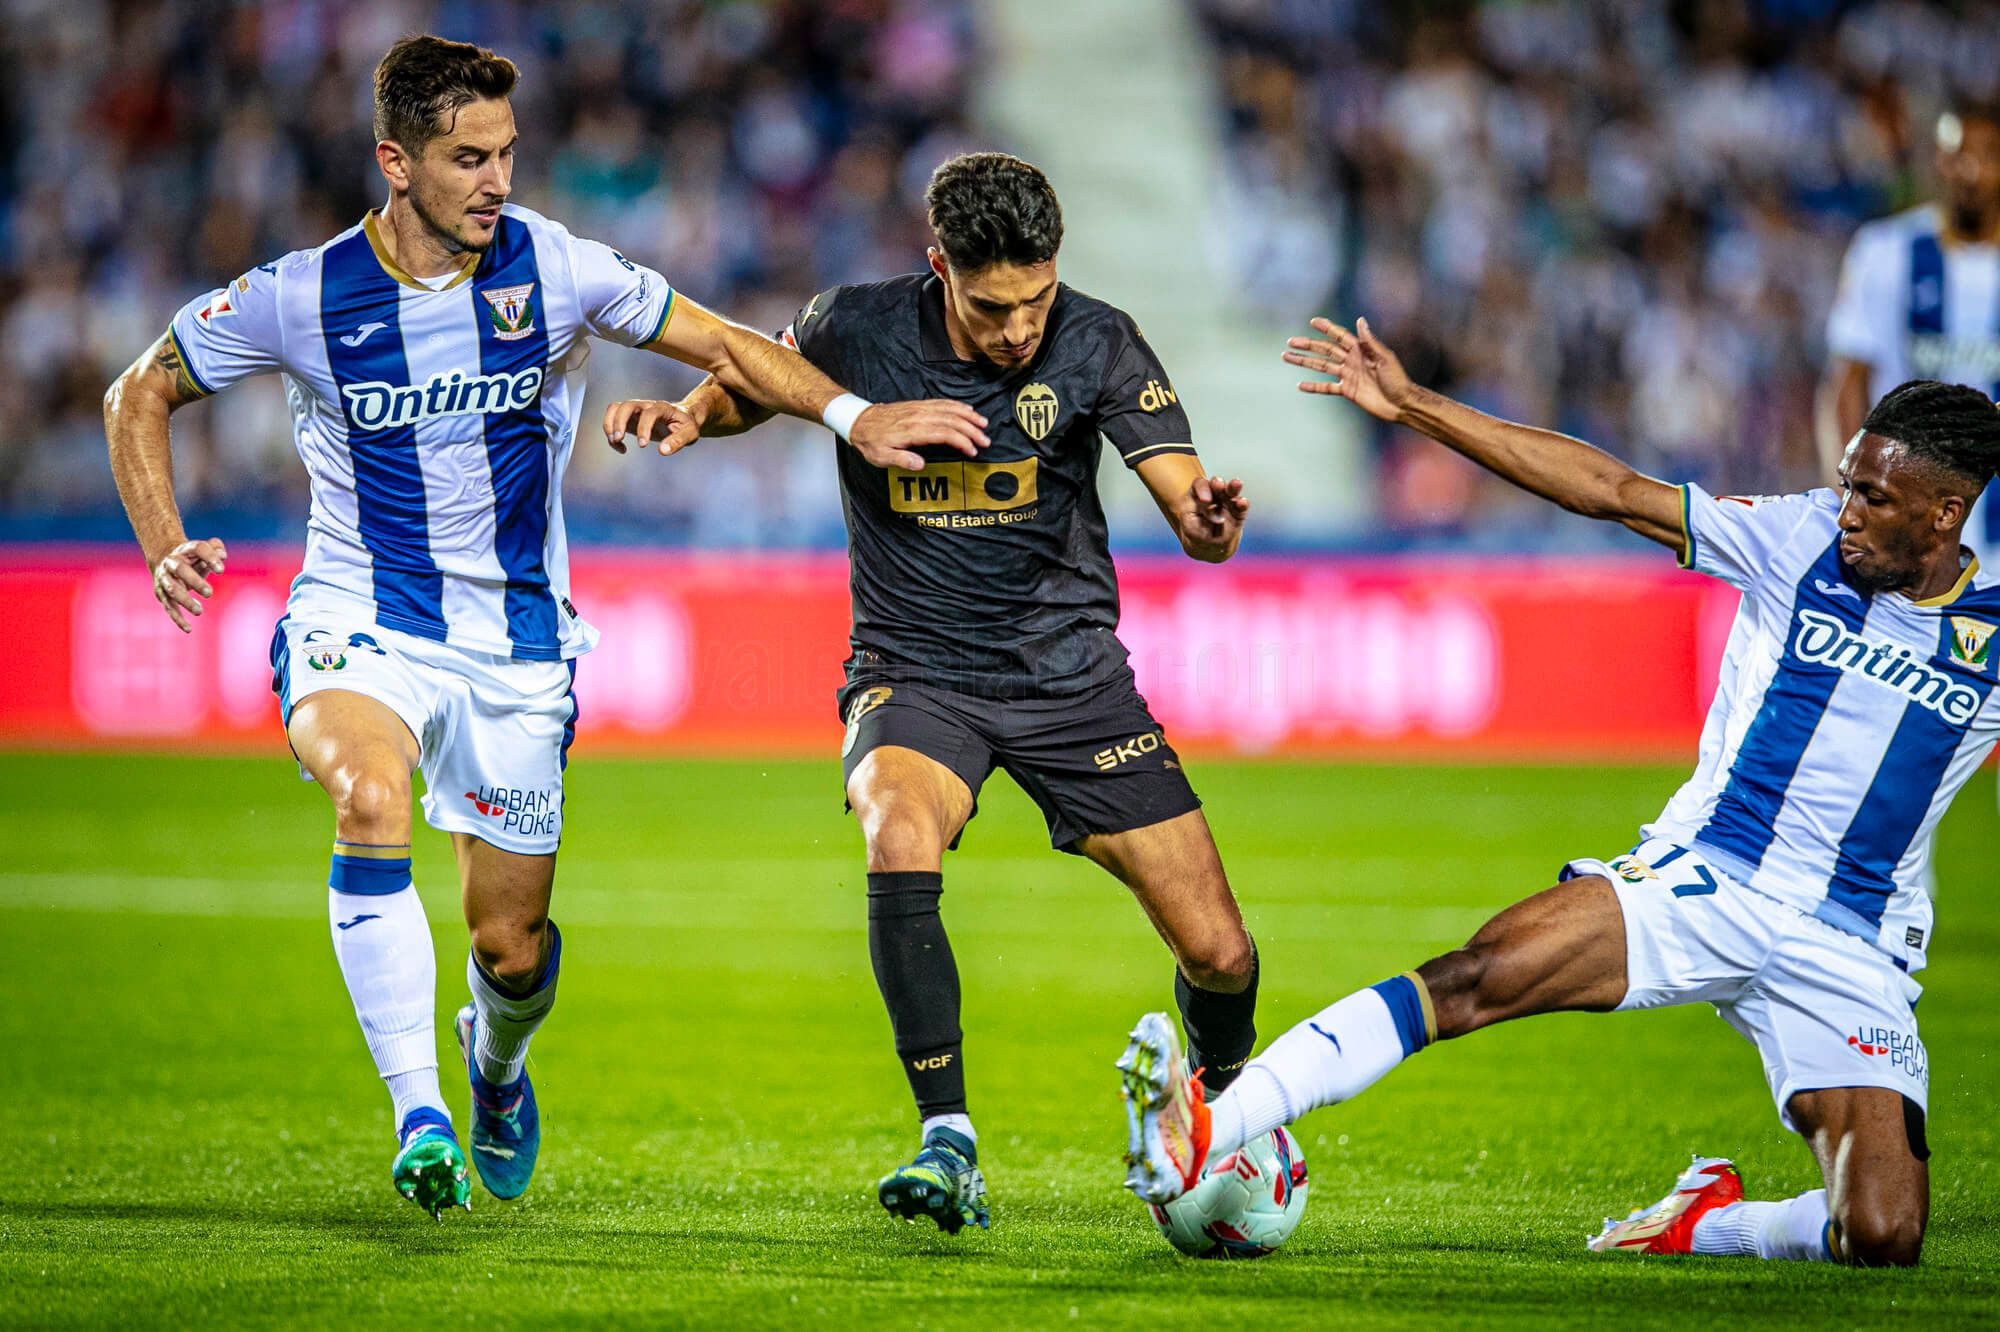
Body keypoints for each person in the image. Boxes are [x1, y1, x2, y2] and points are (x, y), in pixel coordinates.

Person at [100, 34, 984, 1220]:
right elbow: (137, 390)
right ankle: (419, 1116)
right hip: (361, 614)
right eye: (468, 158)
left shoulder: (556, 267)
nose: (496, 180)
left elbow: (724, 344)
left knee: (510, 949)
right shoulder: (301, 295)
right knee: (368, 797)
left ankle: (494, 1067)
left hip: (518, 649)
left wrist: (851, 416)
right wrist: (163, 542)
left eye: (507, 153)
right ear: (394, 162)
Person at [1118, 313, 2000, 1268]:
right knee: (1476, 978)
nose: (1847, 512)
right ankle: (1208, 1125)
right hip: (1709, 882)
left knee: (1881, 1236)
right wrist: (1413, 405)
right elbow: (1613, 491)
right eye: (1845, 488)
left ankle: (1707, 1222)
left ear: (1945, 512)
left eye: (1871, 496)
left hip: (1850, 946)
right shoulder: (1795, 542)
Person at [604, 152, 1259, 1235]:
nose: (1016, 330)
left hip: (1068, 679)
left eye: (1034, 300)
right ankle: (946, 1139)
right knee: (895, 830)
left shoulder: (1097, 337)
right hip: (912, 670)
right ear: (937, 268)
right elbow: (751, 380)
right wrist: (687, 416)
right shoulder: (853, 326)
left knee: (1220, 953)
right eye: (993, 306)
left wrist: (1206, 523)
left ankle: (1221, 1102)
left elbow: (1186, 496)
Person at [1820, 103, 2000, 551]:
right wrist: (1850, 495)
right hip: (1904, 525)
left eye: (1988, 154)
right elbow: (1847, 383)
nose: (1972, 170)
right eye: (1958, 154)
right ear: (1937, 160)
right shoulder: (1883, 252)